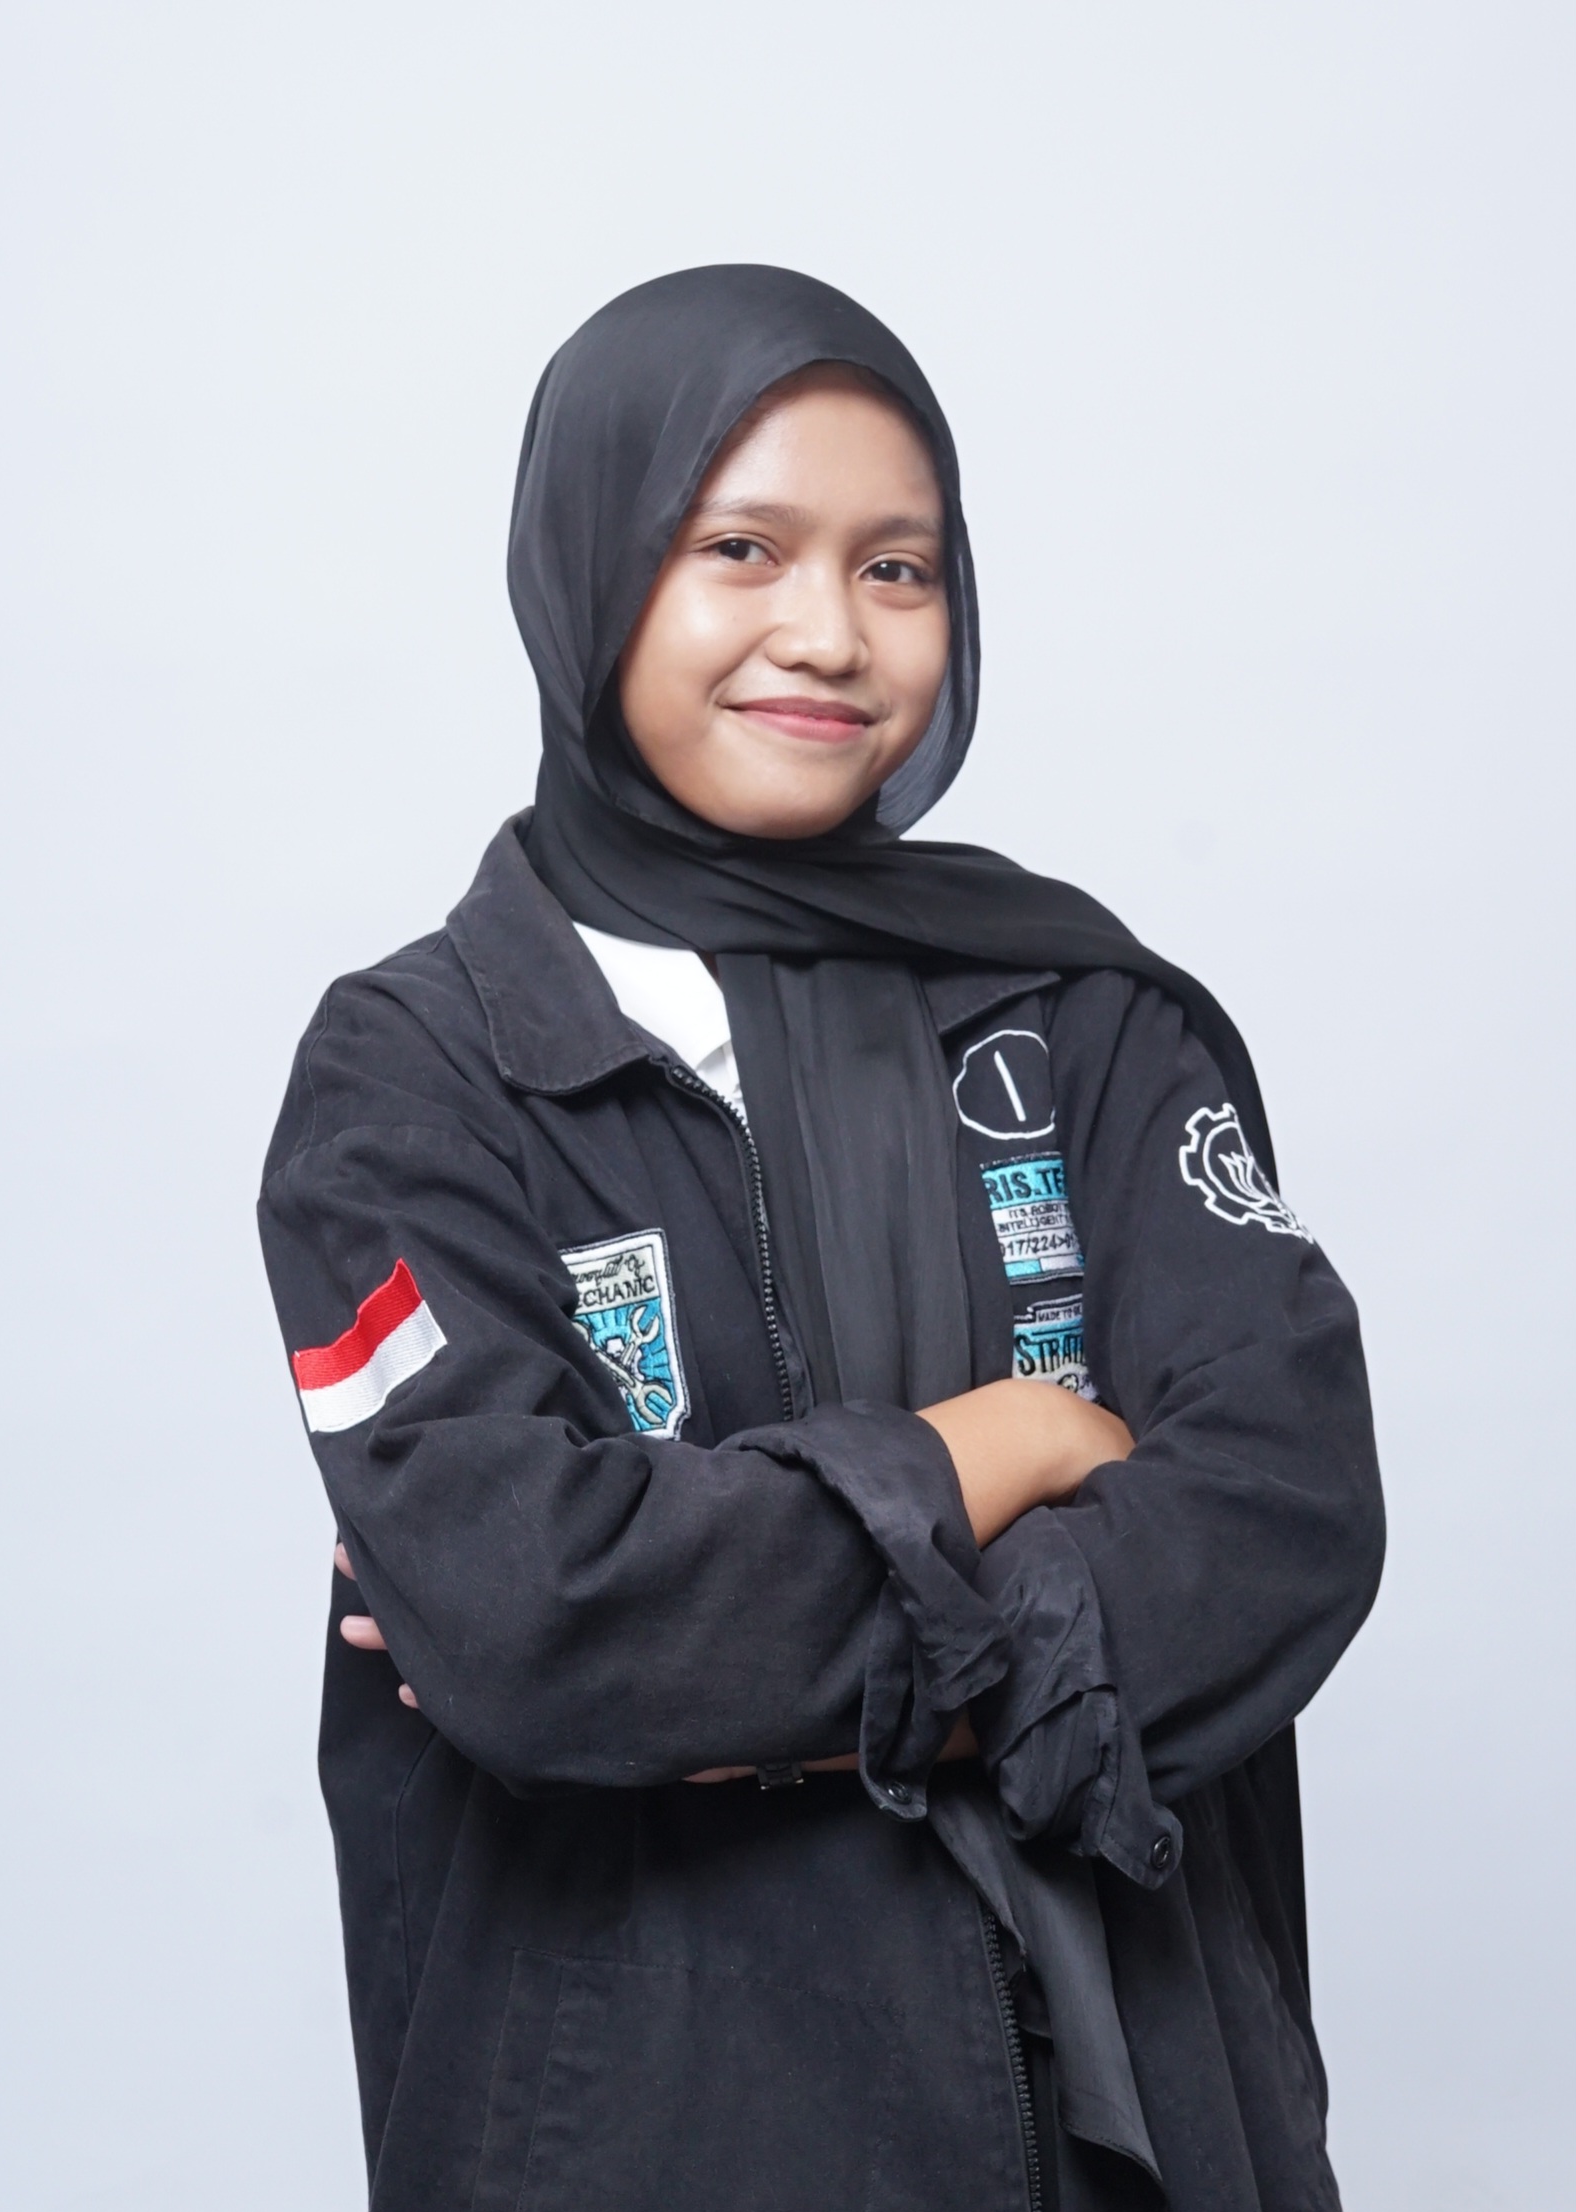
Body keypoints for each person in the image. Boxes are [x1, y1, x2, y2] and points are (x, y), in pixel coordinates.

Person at [258, 265, 1383, 2212]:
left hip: (1134, 2124)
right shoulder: (418, 1070)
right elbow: (527, 1615)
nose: (829, 632)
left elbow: (1283, 1511)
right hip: (647, 2138)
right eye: (740, 548)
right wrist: (1001, 1449)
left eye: (896, 566)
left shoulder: (1085, 1016)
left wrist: (740, 1692)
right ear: (589, 563)